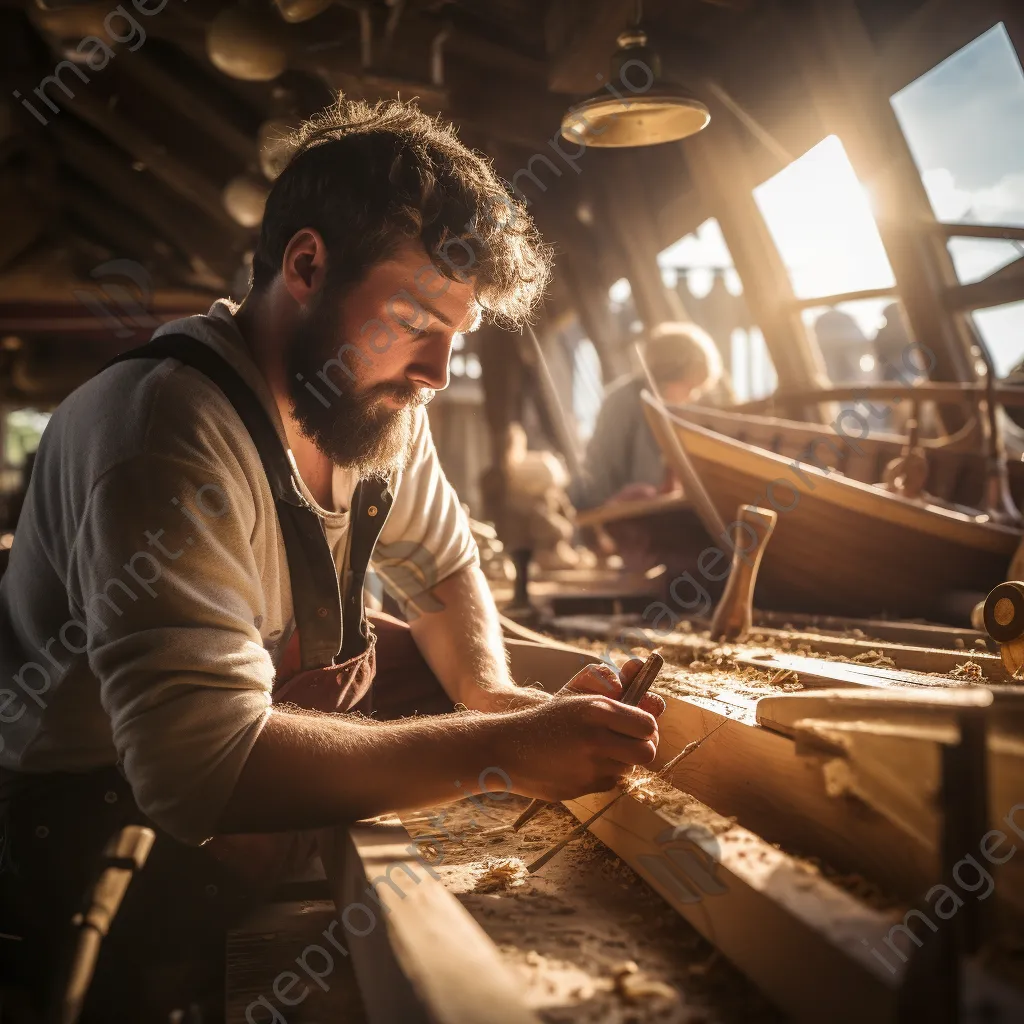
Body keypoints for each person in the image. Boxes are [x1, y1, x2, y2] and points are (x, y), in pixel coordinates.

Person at [0, 99, 664, 1020]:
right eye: (414, 319)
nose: (436, 373)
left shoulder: (380, 406)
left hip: (231, 793)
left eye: (455, 336)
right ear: (306, 265)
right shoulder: (165, 430)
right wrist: (509, 750)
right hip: (91, 825)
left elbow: (439, 563)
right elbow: (197, 767)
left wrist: (491, 693)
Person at [568, 321, 723, 512]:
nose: (691, 397)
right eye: (689, 387)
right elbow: (600, 479)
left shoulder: (669, 410)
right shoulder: (624, 403)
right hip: (614, 513)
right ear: (670, 375)